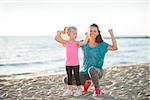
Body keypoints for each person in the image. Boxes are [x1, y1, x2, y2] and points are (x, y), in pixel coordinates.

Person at [64, 23, 118, 96]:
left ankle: (97, 90)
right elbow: (71, 44)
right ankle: (85, 84)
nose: (92, 33)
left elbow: (115, 47)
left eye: (94, 31)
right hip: (85, 73)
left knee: (91, 69)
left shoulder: (102, 44)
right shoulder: (84, 43)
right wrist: (67, 34)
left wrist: (111, 34)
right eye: (91, 31)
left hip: (97, 71)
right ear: (88, 32)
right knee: (66, 79)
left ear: (98, 33)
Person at [55, 26, 88, 97]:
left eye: (76, 33)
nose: (76, 35)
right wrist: (60, 32)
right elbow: (57, 38)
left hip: (76, 64)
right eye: (74, 33)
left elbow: (84, 43)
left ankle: (79, 90)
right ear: (68, 34)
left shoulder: (77, 43)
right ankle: (69, 90)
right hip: (68, 64)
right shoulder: (66, 42)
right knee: (69, 77)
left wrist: (87, 36)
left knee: (77, 77)